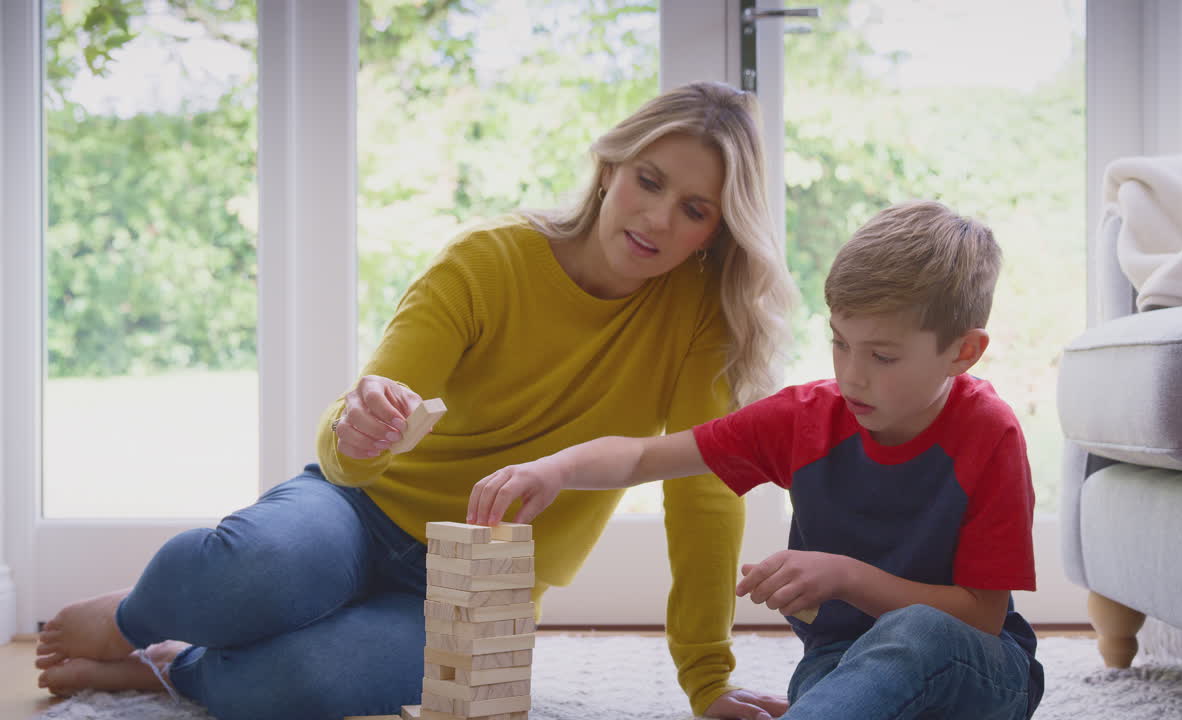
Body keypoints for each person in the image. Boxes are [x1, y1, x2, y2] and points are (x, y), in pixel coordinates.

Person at [33, 81, 796, 720]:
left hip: (481, 581)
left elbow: (703, 493)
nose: (658, 218)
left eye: (696, 209)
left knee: (305, 682)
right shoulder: (488, 259)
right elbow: (349, 436)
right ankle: (135, 618)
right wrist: (362, 429)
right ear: (609, 168)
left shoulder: (701, 319)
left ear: (717, 233)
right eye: (649, 180)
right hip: (355, 513)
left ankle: (175, 666)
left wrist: (708, 680)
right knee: (250, 573)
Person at [468, 200, 1046, 720]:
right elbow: (645, 456)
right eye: (839, 342)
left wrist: (845, 576)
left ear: (963, 353)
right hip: (843, 660)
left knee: (918, 632)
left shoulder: (988, 434)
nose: (852, 375)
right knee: (834, 683)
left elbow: (980, 618)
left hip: (983, 675)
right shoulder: (807, 418)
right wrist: (557, 468)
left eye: (883, 356)